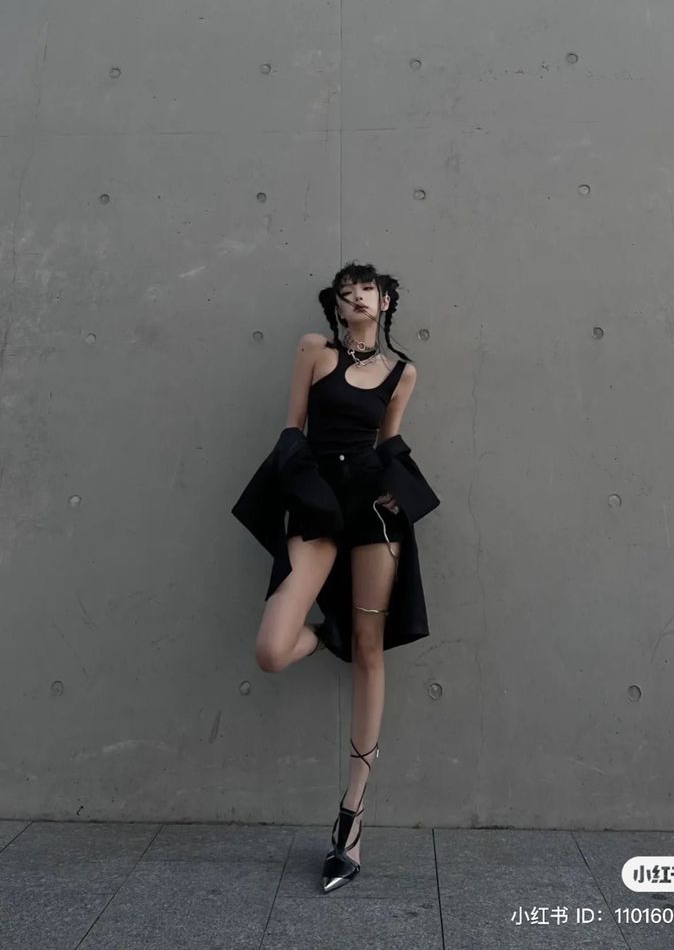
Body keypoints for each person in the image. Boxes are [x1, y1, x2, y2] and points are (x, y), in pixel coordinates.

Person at [244, 261, 437, 892]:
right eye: (346, 290)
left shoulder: (402, 372)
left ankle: (352, 822)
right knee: (273, 649)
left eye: (367, 289)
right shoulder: (313, 350)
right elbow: (291, 431)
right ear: (337, 304)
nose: (356, 295)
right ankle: (332, 633)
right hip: (320, 504)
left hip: (376, 517)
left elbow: (391, 442)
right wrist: (307, 492)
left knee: (371, 652)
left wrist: (397, 493)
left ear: (385, 303)